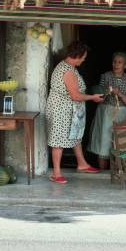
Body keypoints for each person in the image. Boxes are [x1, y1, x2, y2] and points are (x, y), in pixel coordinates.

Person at [46, 41, 104, 184]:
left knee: (76, 137)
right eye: (83, 56)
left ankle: (82, 164)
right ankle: (56, 173)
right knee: (58, 140)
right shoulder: (67, 71)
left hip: (71, 111)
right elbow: (75, 96)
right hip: (61, 111)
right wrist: (93, 97)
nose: (84, 59)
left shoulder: (70, 67)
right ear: (76, 55)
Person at [88, 52, 126, 170]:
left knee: (120, 142)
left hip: (121, 113)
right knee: (104, 142)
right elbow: (99, 97)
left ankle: (119, 172)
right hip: (105, 113)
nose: (116, 64)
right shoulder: (105, 76)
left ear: (125, 65)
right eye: (114, 62)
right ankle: (104, 173)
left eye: (120, 62)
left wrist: (119, 93)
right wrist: (105, 92)